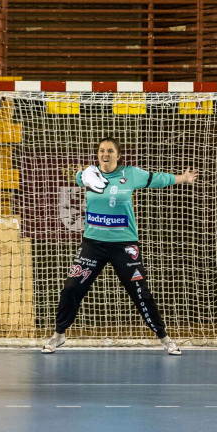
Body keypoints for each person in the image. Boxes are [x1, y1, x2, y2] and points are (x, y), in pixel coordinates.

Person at [44, 138, 197, 355]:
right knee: (71, 288)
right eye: (101, 151)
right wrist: (75, 171)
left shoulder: (131, 174)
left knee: (140, 293)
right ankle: (58, 336)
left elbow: (157, 179)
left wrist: (183, 178)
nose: (105, 154)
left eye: (110, 151)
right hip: (93, 244)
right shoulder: (88, 174)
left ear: (118, 155)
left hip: (124, 245)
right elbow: (76, 175)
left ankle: (165, 339)